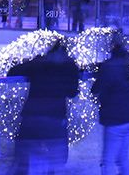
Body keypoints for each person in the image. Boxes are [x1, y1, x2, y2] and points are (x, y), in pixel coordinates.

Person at [8, 39, 80, 174]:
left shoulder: (39, 62)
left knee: (23, 157)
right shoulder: (70, 67)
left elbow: (12, 72)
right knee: (55, 159)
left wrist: (33, 63)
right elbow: (72, 92)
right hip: (55, 117)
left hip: (32, 116)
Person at [92, 39, 129, 175]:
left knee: (108, 161)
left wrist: (98, 71)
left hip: (116, 119)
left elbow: (96, 89)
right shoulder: (127, 66)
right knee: (122, 157)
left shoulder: (108, 67)